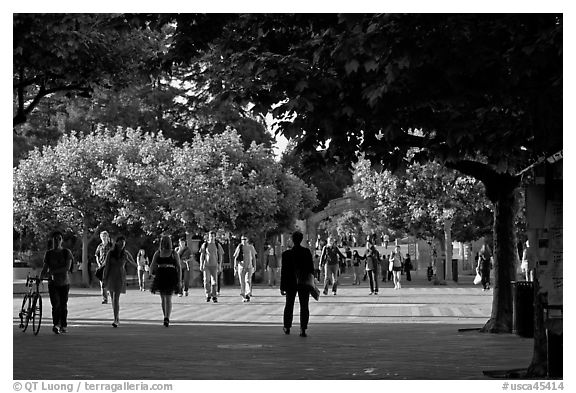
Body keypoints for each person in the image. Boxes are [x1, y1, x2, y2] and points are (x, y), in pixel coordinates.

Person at [280, 231, 314, 337]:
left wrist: (282, 286)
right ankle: (303, 328)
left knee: (289, 305)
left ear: (292, 240)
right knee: (304, 306)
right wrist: (311, 283)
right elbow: (311, 270)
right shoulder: (306, 252)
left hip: (290, 282)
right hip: (303, 281)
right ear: (301, 239)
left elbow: (284, 271)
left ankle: (287, 326)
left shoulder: (286, 254)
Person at [40, 231, 74, 334]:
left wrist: (53, 272)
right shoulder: (49, 253)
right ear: (52, 240)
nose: (57, 240)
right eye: (55, 238)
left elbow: (67, 267)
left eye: (59, 238)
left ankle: (63, 325)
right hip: (53, 283)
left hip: (64, 282)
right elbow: (45, 267)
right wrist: (41, 277)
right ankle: (56, 324)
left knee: (63, 305)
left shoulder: (66, 252)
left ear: (62, 240)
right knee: (55, 304)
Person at [102, 236, 137, 328]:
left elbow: (133, 264)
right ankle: (116, 317)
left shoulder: (125, 253)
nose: (121, 245)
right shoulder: (110, 253)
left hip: (120, 276)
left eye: (123, 244)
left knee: (116, 298)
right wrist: (104, 279)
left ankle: (116, 319)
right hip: (111, 276)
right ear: (116, 243)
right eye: (120, 243)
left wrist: (142, 265)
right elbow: (107, 266)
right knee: (113, 298)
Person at [150, 235, 182, 326]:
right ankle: (165, 316)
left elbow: (179, 267)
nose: (165, 243)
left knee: (168, 297)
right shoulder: (158, 253)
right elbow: (152, 264)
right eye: (163, 241)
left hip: (170, 275)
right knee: (163, 297)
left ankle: (167, 317)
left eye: (166, 241)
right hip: (161, 275)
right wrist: (151, 273)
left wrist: (179, 280)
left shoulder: (173, 253)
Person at [200, 231, 225, 303]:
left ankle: (214, 296)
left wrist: (219, 265)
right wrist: (201, 264)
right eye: (211, 236)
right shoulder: (205, 244)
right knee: (206, 281)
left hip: (214, 265)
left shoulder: (217, 245)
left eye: (213, 236)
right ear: (209, 237)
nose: (212, 237)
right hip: (207, 265)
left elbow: (220, 255)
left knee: (214, 282)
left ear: (215, 237)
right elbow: (202, 255)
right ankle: (208, 294)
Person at [233, 235, 257, 302]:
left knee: (247, 280)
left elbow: (254, 258)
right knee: (242, 282)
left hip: (249, 267)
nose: (243, 240)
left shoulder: (251, 247)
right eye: (242, 239)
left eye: (245, 239)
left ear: (247, 240)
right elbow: (235, 258)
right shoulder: (239, 247)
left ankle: (248, 294)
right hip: (241, 267)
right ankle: (244, 296)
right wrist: (235, 267)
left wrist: (254, 266)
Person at [95, 231, 112, 304]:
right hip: (101, 266)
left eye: (105, 236)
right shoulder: (100, 246)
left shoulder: (111, 246)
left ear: (108, 237)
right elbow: (96, 255)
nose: (104, 238)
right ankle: (105, 298)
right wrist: (98, 263)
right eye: (103, 237)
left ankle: (113, 297)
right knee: (102, 283)